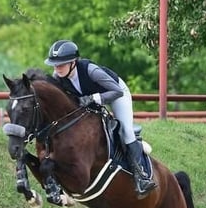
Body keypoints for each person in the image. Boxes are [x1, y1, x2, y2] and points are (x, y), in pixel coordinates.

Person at [44, 39, 156, 197]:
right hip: (91, 99)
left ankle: (141, 177)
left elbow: (116, 91)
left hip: (116, 93)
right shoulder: (58, 77)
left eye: (61, 64)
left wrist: (94, 98)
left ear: (73, 63)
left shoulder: (91, 71)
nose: (57, 68)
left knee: (126, 130)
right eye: (55, 65)